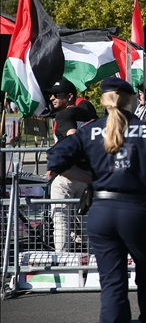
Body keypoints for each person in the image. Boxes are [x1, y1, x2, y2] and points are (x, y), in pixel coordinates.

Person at [46, 77, 146, 323]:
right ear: (130, 99)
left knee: (112, 281)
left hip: (101, 210)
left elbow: (56, 158)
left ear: (104, 101)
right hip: (137, 210)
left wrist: (90, 180)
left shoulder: (90, 130)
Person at [46, 78, 94, 252]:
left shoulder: (65, 114)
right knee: (89, 225)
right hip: (88, 175)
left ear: (70, 97)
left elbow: (72, 135)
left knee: (61, 221)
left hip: (69, 175)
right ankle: (94, 264)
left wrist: (60, 161)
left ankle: (63, 265)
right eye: (51, 94)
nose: (52, 98)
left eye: (57, 95)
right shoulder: (89, 114)